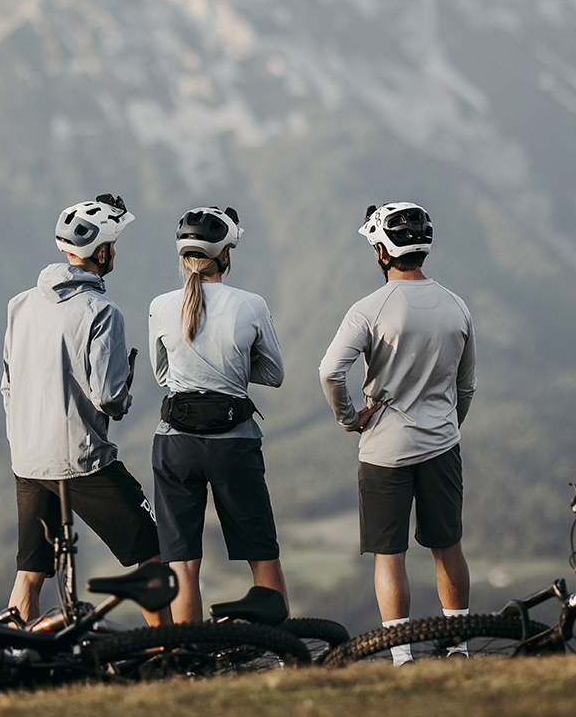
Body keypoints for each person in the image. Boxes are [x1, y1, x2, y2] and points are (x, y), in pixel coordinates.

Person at [1, 193, 169, 627]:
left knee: (30, 572)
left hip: (28, 459)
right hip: (82, 460)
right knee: (152, 553)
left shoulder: (20, 304)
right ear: (104, 250)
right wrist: (128, 385)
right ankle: (172, 656)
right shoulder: (101, 311)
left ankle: (23, 665)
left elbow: (7, 383)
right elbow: (111, 398)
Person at [319, 202, 476, 663]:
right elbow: (465, 386)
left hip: (384, 449)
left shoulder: (369, 308)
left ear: (383, 252)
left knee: (390, 555)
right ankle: (460, 647)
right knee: (447, 546)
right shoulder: (457, 306)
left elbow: (331, 371)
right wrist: (448, 423)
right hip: (442, 444)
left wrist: (349, 417)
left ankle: (402, 657)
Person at [148, 206, 287, 625]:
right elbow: (275, 374)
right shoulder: (251, 304)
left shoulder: (159, 305)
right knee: (261, 553)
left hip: (175, 443)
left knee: (182, 565)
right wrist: (237, 366)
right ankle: (284, 653)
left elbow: (161, 375)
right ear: (225, 254)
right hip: (235, 443)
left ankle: (190, 662)